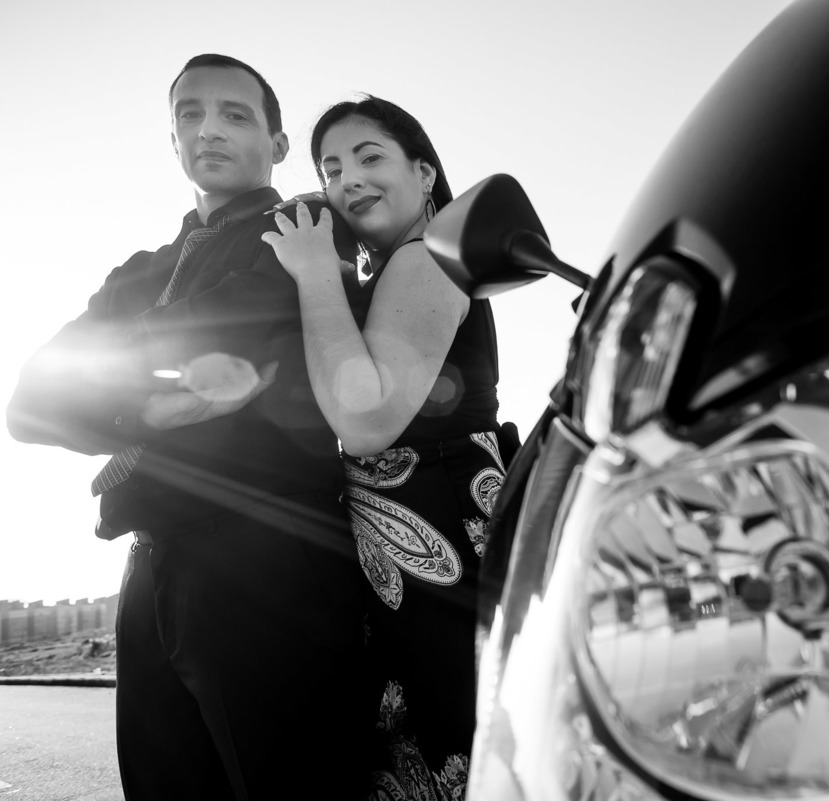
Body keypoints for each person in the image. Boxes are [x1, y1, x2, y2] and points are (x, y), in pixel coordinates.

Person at [6, 54, 373, 800]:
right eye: (189, 115)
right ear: (171, 139)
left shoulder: (307, 228)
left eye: (236, 114)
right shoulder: (138, 271)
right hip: (146, 566)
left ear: (277, 143)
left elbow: (234, 318)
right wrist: (143, 411)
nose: (209, 129)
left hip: (268, 557)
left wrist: (114, 357)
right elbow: (30, 401)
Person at [261, 95, 516, 801]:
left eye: (369, 156)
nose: (348, 179)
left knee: (458, 745)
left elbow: (366, 418)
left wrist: (315, 271)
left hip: (444, 542)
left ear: (425, 172)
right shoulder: (393, 268)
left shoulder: (426, 257)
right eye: (330, 168)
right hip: (417, 552)